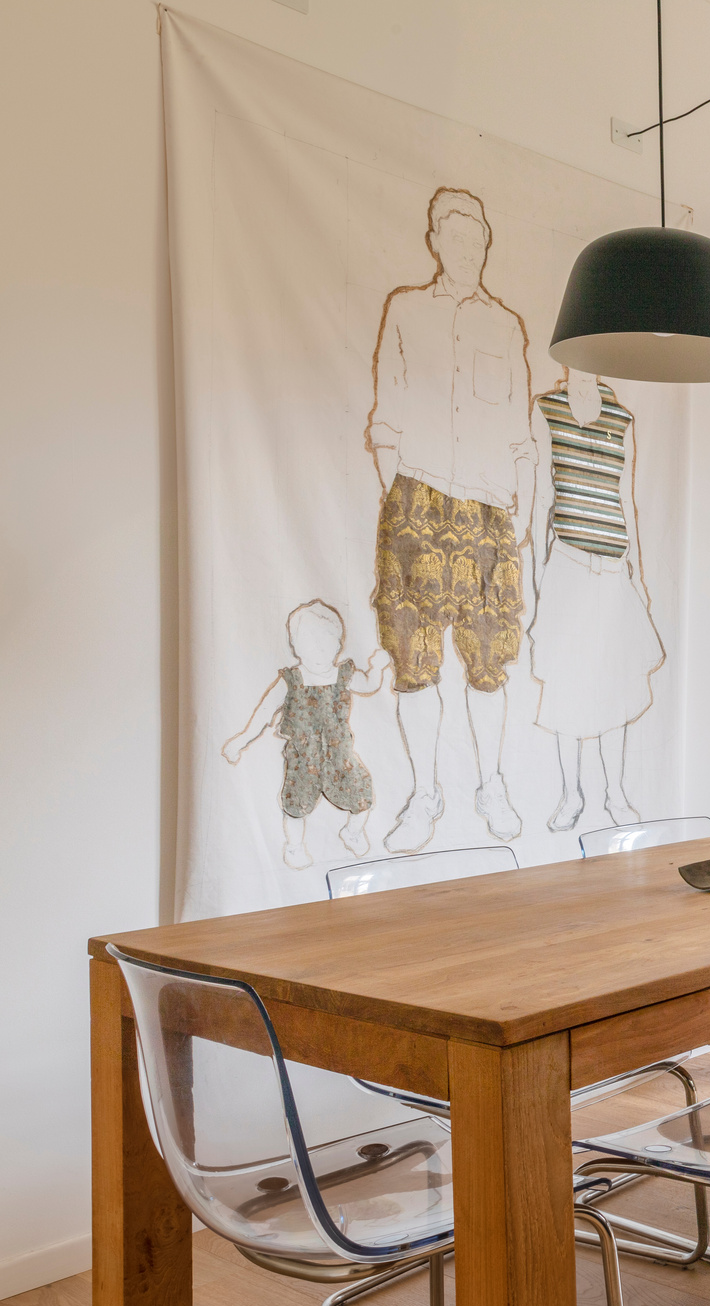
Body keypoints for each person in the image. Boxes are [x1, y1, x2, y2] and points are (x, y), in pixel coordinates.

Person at [366, 187, 536, 852]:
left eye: (478, 241)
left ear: (485, 248)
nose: (467, 251)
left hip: (490, 510)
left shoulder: (506, 325)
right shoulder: (407, 311)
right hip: (418, 498)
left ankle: (490, 784)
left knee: (489, 660)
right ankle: (424, 793)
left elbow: (520, 429)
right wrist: (401, 496)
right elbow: (387, 413)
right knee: (415, 661)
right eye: (454, 238)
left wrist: (517, 510)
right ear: (435, 241)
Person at [526, 369, 666, 830]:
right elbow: (542, 494)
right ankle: (571, 795)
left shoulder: (621, 418)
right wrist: (536, 574)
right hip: (567, 565)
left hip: (613, 570)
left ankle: (616, 793)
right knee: (567, 684)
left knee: (616, 683)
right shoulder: (547, 410)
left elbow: (626, 499)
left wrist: (638, 573)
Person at [222, 601, 390, 869]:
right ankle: (294, 846)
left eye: (327, 643)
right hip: (303, 761)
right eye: (310, 643)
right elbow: (265, 713)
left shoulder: (343, 675)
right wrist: (241, 741)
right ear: (295, 646)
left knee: (362, 795)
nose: (319, 650)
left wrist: (378, 668)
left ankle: (353, 832)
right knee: (295, 807)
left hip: (340, 757)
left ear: (338, 644)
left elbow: (369, 685)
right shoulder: (291, 681)